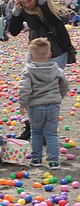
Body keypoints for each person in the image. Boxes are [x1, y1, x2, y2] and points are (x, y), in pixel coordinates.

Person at [19, 38, 69, 169]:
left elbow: (24, 88)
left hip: (35, 106)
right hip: (53, 105)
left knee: (36, 132)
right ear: (50, 55)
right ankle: (53, 161)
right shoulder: (57, 70)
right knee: (51, 133)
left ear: (30, 56)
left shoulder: (28, 71)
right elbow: (64, 85)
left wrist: (23, 103)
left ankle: (36, 159)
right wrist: (59, 98)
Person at [9, 0, 73, 70]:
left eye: (29, 0)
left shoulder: (48, 4)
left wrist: (43, 4)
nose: (27, 4)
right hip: (35, 51)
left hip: (56, 49)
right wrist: (16, 12)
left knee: (53, 82)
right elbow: (14, 32)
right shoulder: (22, 9)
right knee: (30, 80)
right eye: (23, 2)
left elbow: (55, 23)